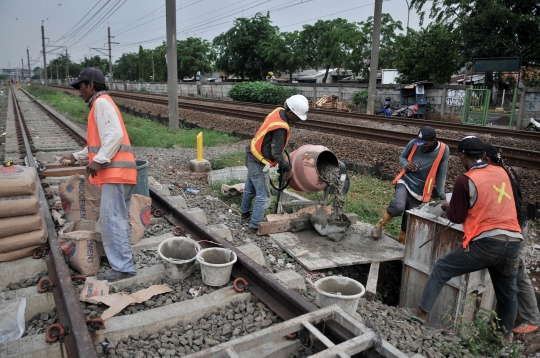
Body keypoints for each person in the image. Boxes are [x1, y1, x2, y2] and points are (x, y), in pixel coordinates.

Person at [401, 136, 523, 343]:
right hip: (513, 241)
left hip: (486, 244)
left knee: (442, 268)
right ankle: (505, 337)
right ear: (484, 155)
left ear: (462, 155)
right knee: (508, 292)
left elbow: (457, 217)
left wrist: (448, 207)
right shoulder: (501, 172)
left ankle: (421, 313)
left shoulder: (466, 180)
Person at [60, 67, 137, 282]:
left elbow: (114, 136)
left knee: (111, 220)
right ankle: (126, 259)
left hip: (115, 173)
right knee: (118, 219)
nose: (79, 91)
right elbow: (102, 142)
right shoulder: (102, 104)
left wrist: (98, 161)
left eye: (80, 87)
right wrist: (78, 156)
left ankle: (123, 266)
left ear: (90, 85)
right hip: (122, 173)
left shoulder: (101, 103)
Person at [484, 143, 539, 334]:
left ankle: (531, 319)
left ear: (487, 159)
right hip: (517, 225)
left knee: (519, 273)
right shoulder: (507, 169)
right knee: (513, 271)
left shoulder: (497, 174)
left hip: (514, 228)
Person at [240, 94, 309, 232]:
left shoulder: (277, 112)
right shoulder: (281, 127)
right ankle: (255, 226)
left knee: (250, 188)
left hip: (251, 153)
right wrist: (288, 169)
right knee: (264, 197)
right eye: (298, 117)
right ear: (290, 112)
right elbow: (276, 153)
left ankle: (245, 215)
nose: (299, 120)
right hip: (259, 162)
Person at [371, 126, 449, 244]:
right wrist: (406, 164)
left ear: (433, 140)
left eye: (425, 143)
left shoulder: (443, 150)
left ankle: (401, 242)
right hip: (405, 180)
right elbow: (402, 156)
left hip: (420, 189)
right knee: (398, 206)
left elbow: (442, 172)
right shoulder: (413, 143)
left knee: (409, 217)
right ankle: (381, 224)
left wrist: (441, 192)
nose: (421, 146)